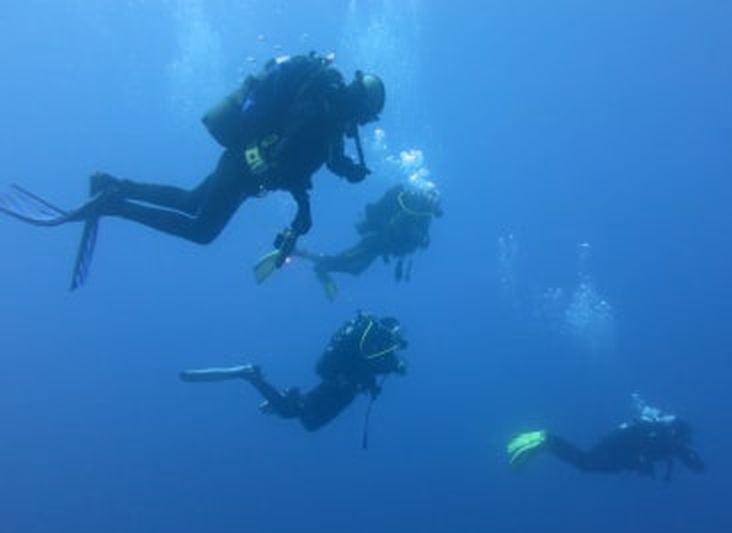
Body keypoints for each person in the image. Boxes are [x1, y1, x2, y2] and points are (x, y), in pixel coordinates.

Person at [0, 52, 385, 288]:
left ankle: (113, 186)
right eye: (367, 116)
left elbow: (322, 158)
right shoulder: (322, 109)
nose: (363, 124)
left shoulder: (331, 113)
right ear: (363, 105)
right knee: (202, 230)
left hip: (243, 158)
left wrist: (346, 171)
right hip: (247, 165)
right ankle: (112, 203)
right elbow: (289, 155)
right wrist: (303, 205)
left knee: (190, 200)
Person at [180, 312, 407, 437]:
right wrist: (395, 364)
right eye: (397, 333)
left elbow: (368, 369)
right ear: (390, 330)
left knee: (308, 421)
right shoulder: (378, 346)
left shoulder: (373, 346)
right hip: (338, 388)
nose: (398, 339)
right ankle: (252, 376)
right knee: (297, 415)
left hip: (339, 388)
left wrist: (371, 384)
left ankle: (286, 396)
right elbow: (385, 365)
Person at [289, 184, 442, 300]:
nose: (432, 200)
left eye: (435, 198)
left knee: (356, 270)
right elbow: (392, 223)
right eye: (431, 194)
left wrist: (422, 240)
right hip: (375, 240)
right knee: (339, 259)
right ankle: (300, 253)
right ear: (424, 192)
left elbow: (416, 240)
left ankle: (323, 268)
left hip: (383, 248)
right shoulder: (410, 202)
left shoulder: (425, 217)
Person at [507, 396, 706, 480]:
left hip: (615, 446)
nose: (687, 442)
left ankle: (543, 442)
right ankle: (546, 440)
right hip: (618, 451)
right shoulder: (668, 440)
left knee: (586, 463)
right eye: (686, 438)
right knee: (586, 464)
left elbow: (694, 464)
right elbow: (696, 465)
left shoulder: (664, 437)